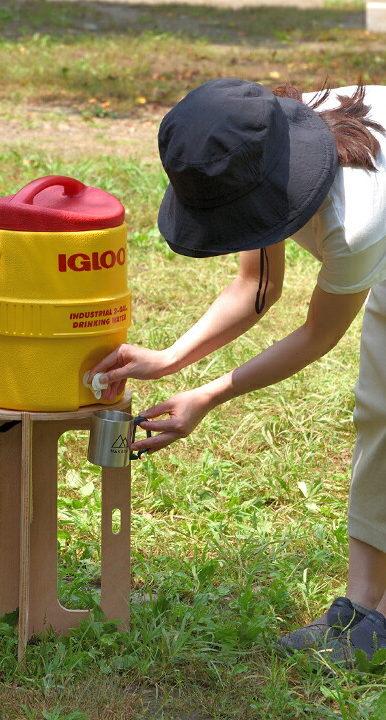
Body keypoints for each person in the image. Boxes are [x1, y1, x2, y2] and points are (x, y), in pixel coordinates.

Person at [88, 77, 386, 668]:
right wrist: (171, 358)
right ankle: (359, 604)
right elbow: (258, 285)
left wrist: (208, 395)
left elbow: (317, 335)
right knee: (378, 409)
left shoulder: (354, 221)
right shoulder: (266, 143)